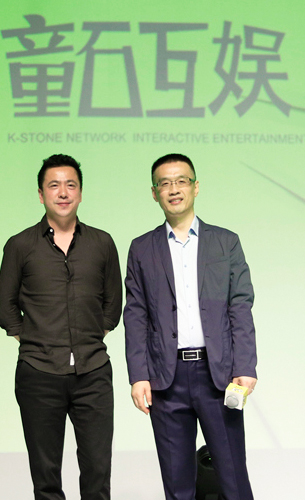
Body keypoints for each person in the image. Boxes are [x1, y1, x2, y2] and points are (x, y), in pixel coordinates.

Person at [123, 153, 258, 500]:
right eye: (164, 183)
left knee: (233, 478)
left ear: (195, 187)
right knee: (177, 484)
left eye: (181, 181)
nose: (174, 189)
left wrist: (245, 366)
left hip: (218, 376)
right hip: (166, 380)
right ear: (154, 193)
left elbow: (240, 305)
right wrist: (138, 375)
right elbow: (136, 314)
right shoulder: (141, 249)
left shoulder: (225, 242)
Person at [0, 154, 122, 500]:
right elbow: (6, 310)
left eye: (70, 185)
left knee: (98, 471)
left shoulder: (102, 243)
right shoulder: (20, 245)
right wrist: (39, 340)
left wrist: (87, 339)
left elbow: (112, 306)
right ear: (41, 194)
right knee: (46, 474)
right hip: (38, 373)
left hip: (93, 372)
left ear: (80, 193)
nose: (63, 193)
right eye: (54, 185)